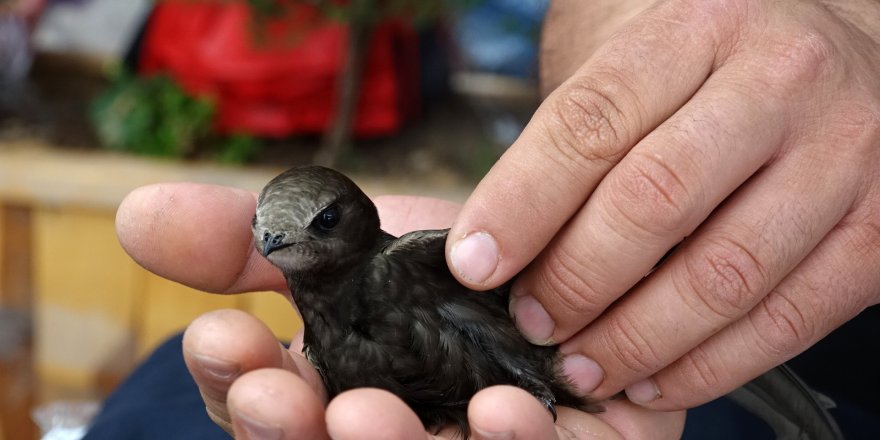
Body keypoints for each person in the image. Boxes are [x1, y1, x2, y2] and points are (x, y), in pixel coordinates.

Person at [114, 0, 879, 438]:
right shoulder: (351, 288)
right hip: (618, 332)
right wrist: (652, 72)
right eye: (271, 238)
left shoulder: (407, 265)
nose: (278, 246)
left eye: (312, 226)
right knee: (158, 416)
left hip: (742, 369)